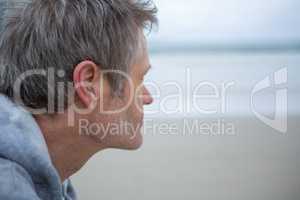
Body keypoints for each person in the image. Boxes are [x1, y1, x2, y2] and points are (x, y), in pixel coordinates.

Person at [0, 0, 157, 199]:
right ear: (88, 83)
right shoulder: (9, 188)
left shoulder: (46, 175)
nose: (148, 97)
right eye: (140, 78)